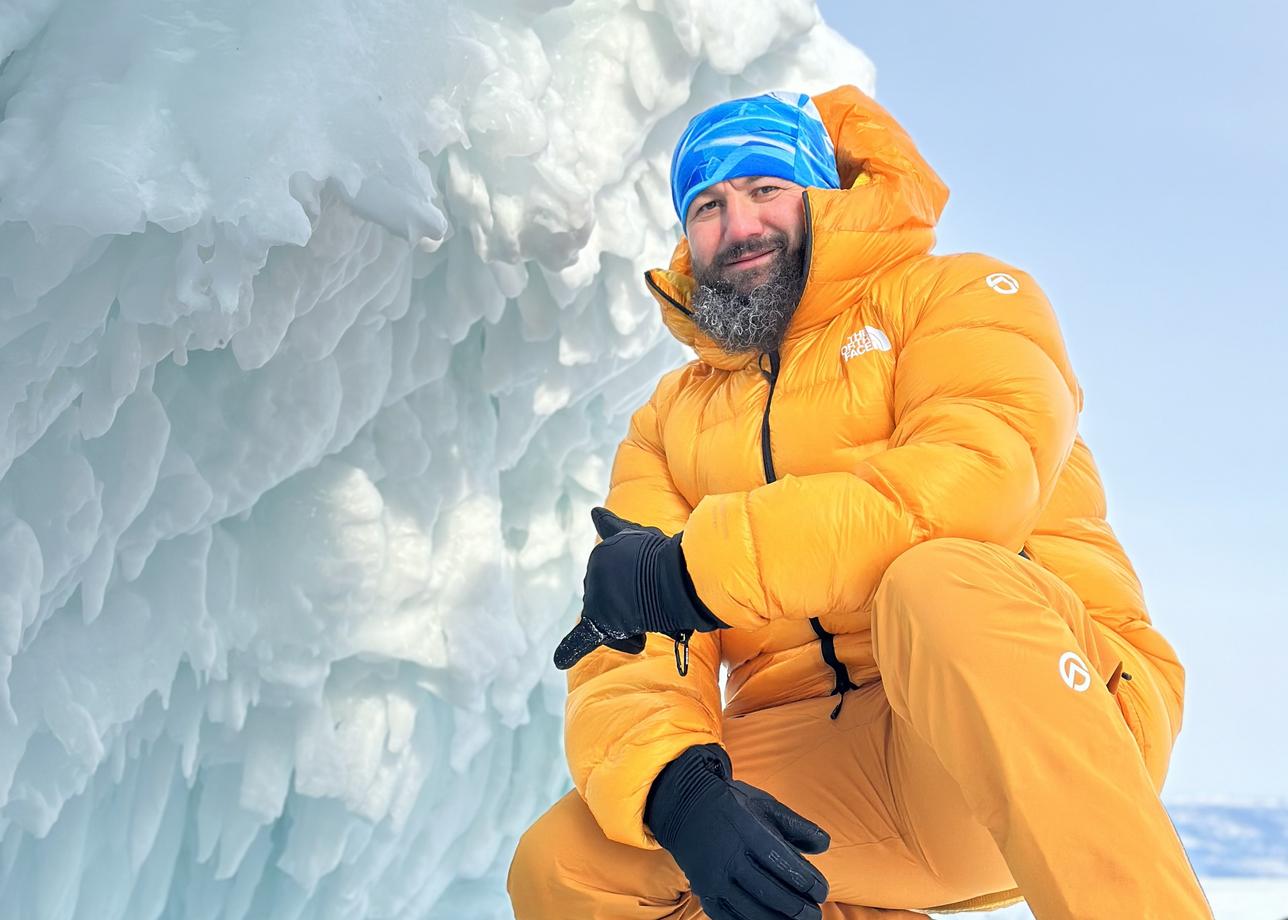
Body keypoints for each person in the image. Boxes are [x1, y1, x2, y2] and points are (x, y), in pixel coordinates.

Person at [507, 86, 1212, 919]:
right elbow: (639, 637)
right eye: (708, 205)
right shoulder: (668, 423)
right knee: (564, 866)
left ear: (822, 192)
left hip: (1043, 724)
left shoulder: (959, 298)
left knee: (938, 582)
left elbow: (967, 490)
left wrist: (692, 572)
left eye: (766, 189)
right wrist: (681, 793)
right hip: (831, 775)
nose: (740, 226)